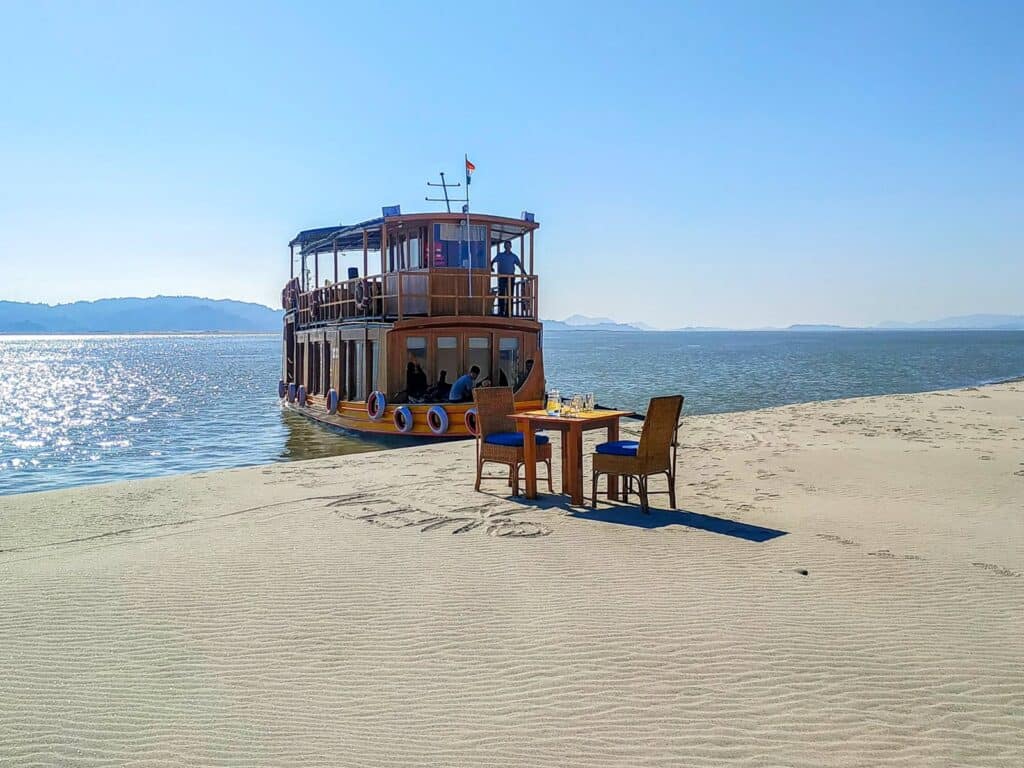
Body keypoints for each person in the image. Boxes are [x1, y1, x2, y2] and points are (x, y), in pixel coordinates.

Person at [491, 240, 523, 317]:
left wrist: (526, 275)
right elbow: (492, 261)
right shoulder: (500, 255)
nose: (507, 246)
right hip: (502, 277)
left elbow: (520, 266)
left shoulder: (514, 256)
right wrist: (491, 267)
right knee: (501, 294)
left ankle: (509, 312)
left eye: (508, 245)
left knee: (510, 295)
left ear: (510, 246)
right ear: (504, 246)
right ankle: (501, 311)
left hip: (511, 277)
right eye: (506, 245)